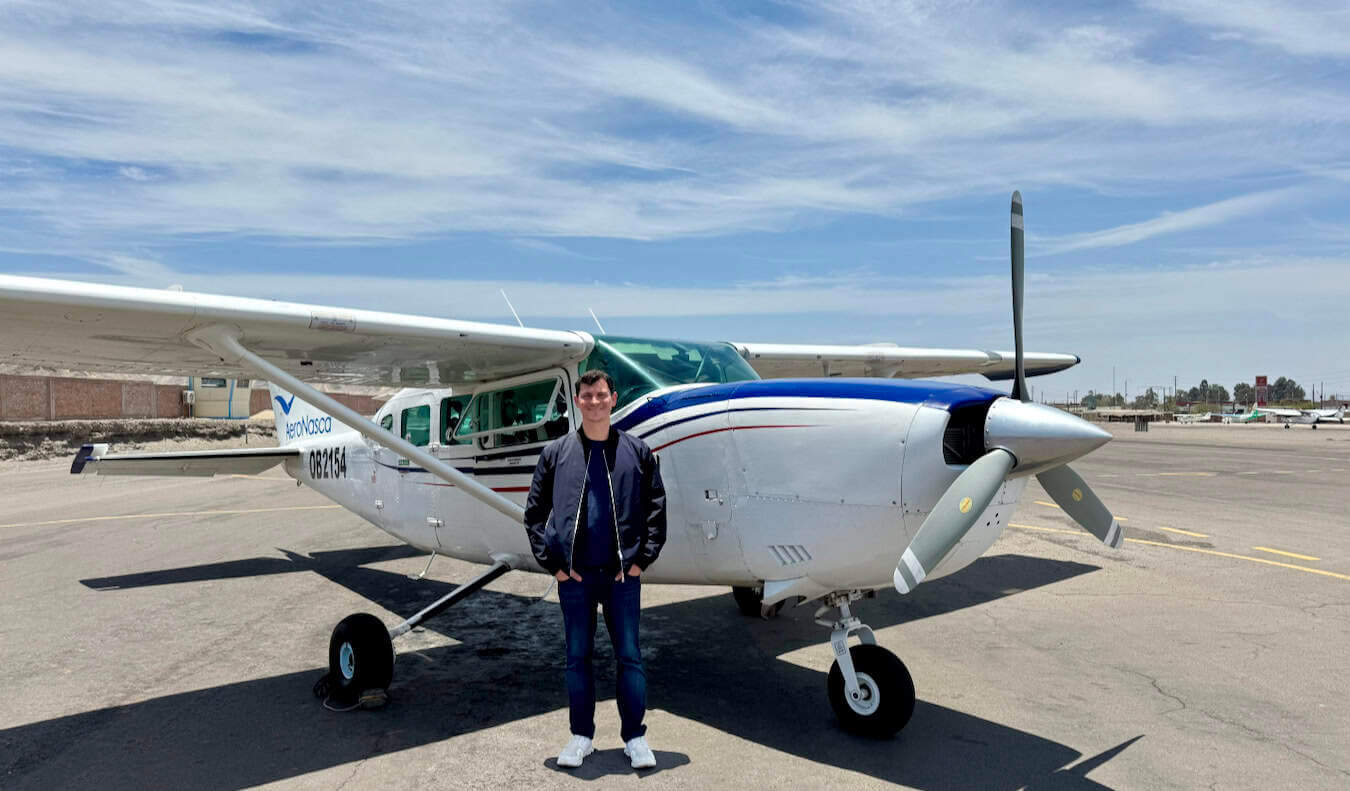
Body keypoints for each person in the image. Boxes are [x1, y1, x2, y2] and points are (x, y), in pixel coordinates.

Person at [523, 369, 667, 770]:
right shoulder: (555, 453)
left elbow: (656, 507)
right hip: (576, 578)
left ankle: (635, 737)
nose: (594, 402)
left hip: (622, 578)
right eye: (586, 396)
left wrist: (641, 561)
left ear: (613, 399)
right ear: (576, 401)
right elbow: (534, 514)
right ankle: (581, 736)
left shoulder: (637, 451)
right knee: (577, 658)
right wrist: (555, 566)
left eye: (601, 395)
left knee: (630, 658)